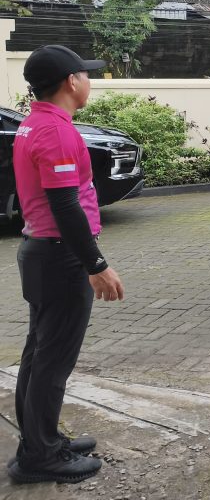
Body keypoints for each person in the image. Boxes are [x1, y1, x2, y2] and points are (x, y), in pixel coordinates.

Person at [9, 45, 125, 485]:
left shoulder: (34, 124)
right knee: (52, 362)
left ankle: (40, 442)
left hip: (43, 252)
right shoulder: (55, 131)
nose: (89, 81)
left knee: (39, 355)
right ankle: (39, 458)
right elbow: (64, 204)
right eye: (85, 74)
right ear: (70, 82)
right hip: (59, 256)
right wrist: (95, 264)